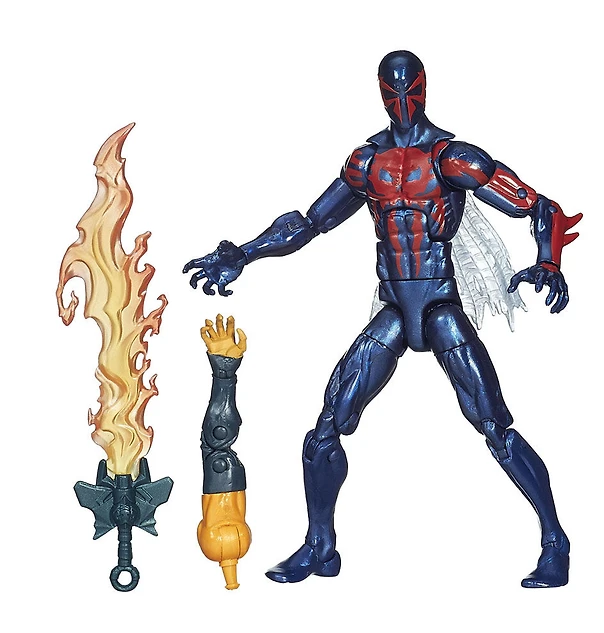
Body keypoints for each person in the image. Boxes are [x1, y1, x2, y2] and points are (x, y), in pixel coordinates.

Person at [184, 50, 581, 587]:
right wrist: (244, 254)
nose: (402, 99)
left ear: (424, 86)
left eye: (409, 87)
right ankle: (320, 547)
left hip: (440, 305)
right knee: (324, 431)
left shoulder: (451, 158)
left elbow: (539, 206)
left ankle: (555, 543)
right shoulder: (366, 163)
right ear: (378, 90)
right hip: (394, 308)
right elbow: (309, 223)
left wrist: (549, 262)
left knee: (496, 428)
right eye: (392, 89)